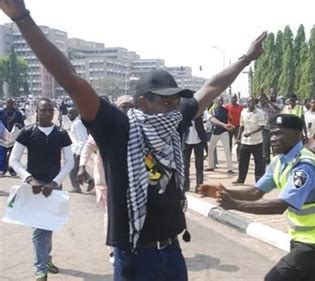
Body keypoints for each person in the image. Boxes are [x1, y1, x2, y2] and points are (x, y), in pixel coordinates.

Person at [0, 3, 266, 279]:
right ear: (143, 102)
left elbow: (210, 88)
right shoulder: (117, 127)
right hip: (135, 256)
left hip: (172, 251)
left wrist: (245, 58)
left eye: (177, 101)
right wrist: (21, 16)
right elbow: (70, 77)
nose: (175, 107)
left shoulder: (173, 120)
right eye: (167, 101)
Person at [198, 114, 315, 281]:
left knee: (276, 278)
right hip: (303, 234)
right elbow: (256, 192)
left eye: (279, 133)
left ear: (297, 135)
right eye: (272, 133)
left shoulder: (304, 166)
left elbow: (279, 206)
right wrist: (226, 191)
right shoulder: (280, 161)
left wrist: (234, 204)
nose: (272, 139)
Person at [9, 97, 74, 281]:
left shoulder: (61, 133)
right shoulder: (27, 133)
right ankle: (41, 269)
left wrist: (54, 183)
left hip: (54, 187)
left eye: (50, 110)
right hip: (34, 188)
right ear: (35, 111)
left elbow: (69, 161)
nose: (47, 113)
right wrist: (30, 179)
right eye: (43, 110)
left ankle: (46, 259)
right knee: (40, 229)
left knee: (49, 225)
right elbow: (13, 160)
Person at [77, 95, 134, 264]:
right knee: (110, 213)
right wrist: (81, 166)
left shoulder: (138, 126)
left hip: (130, 178)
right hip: (105, 177)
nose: (127, 109)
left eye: (130, 106)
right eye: (123, 106)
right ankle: (113, 249)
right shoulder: (109, 127)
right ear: (117, 109)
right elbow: (88, 145)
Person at [235, 97, 266, 184]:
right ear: (247, 103)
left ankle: (259, 181)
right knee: (242, 162)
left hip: (257, 142)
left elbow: (262, 126)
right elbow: (241, 125)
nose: (251, 103)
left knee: (259, 163)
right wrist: (238, 138)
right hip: (245, 142)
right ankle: (241, 179)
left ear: (255, 102)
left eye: (253, 101)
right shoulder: (243, 112)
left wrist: (250, 133)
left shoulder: (260, 113)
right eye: (249, 101)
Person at [68, 107, 94, 193]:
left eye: (72, 113)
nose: (69, 115)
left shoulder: (77, 123)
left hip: (78, 151)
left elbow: (83, 139)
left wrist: (79, 153)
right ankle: (90, 180)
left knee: (72, 170)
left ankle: (76, 187)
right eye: (69, 113)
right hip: (74, 149)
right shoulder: (74, 123)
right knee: (77, 169)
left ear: (76, 114)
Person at [206, 96, 234, 174]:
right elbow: (211, 120)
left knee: (227, 151)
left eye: (221, 100)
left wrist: (230, 125)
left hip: (224, 132)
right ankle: (210, 166)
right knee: (210, 149)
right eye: (219, 100)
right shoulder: (213, 111)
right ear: (216, 101)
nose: (220, 101)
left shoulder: (226, 110)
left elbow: (231, 118)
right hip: (215, 132)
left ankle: (230, 168)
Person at [0, 98, 25, 176]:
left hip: (14, 138)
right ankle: (2, 169)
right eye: (8, 102)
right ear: (5, 103)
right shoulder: (1, 112)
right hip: (3, 137)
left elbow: (22, 125)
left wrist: (19, 125)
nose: (9, 104)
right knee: (2, 154)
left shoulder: (18, 114)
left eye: (11, 102)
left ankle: (12, 169)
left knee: (13, 155)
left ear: (14, 103)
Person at [183, 113, 208, 191]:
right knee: (185, 165)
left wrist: (223, 125)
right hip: (186, 142)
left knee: (199, 166)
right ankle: (186, 185)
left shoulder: (200, 112)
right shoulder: (185, 115)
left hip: (199, 142)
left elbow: (210, 118)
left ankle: (199, 186)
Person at [259, 88, 283, 164]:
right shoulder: (265, 102)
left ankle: (276, 164)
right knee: (265, 149)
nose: (273, 95)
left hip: (276, 128)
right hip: (266, 128)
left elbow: (278, 108)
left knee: (276, 148)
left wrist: (268, 101)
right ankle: (267, 164)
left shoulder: (279, 101)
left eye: (274, 93)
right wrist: (262, 93)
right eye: (272, 93)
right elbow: (262, 102)